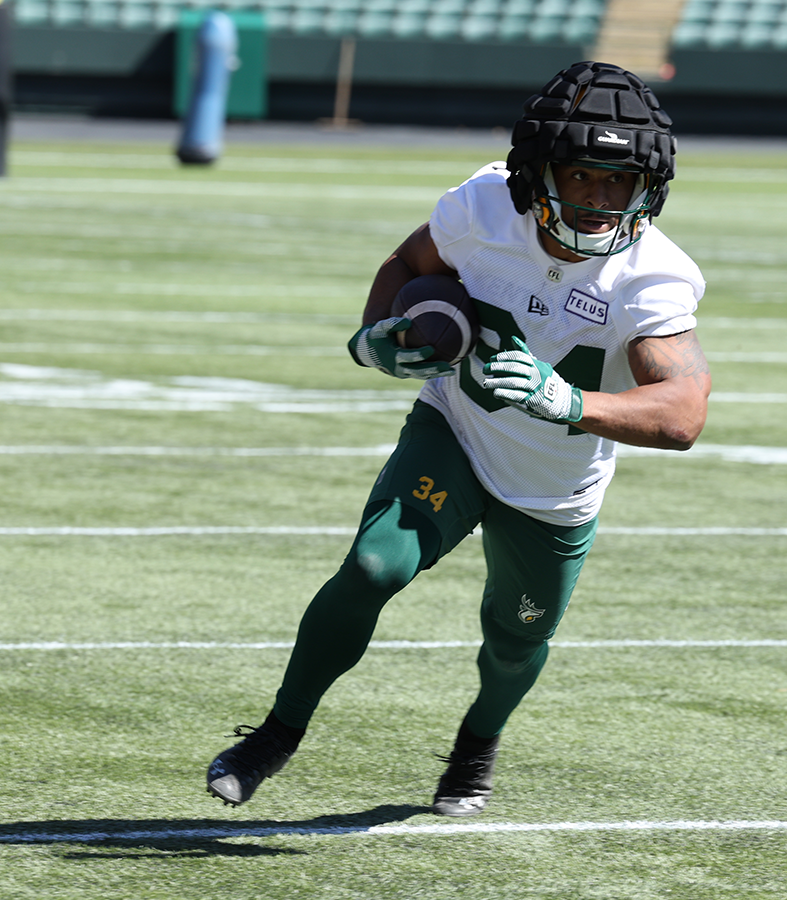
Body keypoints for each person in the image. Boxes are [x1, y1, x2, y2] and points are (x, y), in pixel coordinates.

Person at [205, 61, 710, 817]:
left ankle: (479, 742)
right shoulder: (482, 207)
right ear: (538, 172)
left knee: (514, 638)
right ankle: (276, 734)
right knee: (375, 567)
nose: (603, 202)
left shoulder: (653, 276)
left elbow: (682, 413)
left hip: (553, 483)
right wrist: (372, 341)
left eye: (621, 182)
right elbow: (409, 264)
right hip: (458, 429)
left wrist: (567, 399)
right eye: (582, 176)